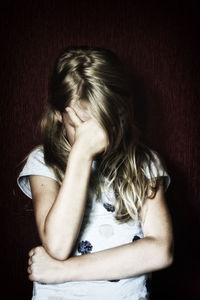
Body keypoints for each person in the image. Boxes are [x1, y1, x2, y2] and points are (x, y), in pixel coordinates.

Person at [17, 46, 174, 300]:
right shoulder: (43, 162)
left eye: (104, 123)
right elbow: (57, 245)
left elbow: (160, 250)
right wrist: (81, 154)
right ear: (58, 114)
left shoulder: (144, 163)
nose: (95, 137)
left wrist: (62, 270)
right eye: (80, 127)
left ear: (121, 113)